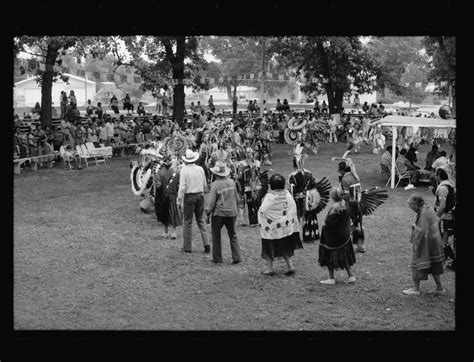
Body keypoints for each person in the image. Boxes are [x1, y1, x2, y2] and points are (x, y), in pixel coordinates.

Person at [257, 173, 303, 276]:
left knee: (268, 246)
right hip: (285, 228)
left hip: (272, 229)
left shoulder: (269, 198)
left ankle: (269, 268)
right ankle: (290, 266)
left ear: (271, 185)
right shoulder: (287, 195)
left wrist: (272, 220)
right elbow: (292, 208)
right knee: (286, 246)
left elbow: (263, 210)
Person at [403, 193, 446, 295]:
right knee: (435, 264)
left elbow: (422, 231)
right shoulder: (429, 208)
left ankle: (415, 289)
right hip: (434, 242)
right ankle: (440, 288)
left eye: (410, 205)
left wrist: (414, 227)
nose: (410, 207)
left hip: (426, 243)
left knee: (417, 261)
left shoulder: (423, 214)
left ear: (416, 204)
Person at [205, 161, 242, 264]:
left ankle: (217, 259)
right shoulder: (231, 182)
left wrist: (208, 213)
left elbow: (211, 202)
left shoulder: (215, 185)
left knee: (216, 235)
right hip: (231, 212)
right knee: (233, 235)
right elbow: (235, 197)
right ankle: (237, 257)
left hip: (219, 213)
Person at [318, 186, 357, 284]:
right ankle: (351, 276)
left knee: (328, 254)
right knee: (344, 255)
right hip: (345, 237)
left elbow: (328, 223)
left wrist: (324, 226)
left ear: (332, 197)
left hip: (334, 239)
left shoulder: (334, 209)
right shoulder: (346, 206)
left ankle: (331, 278)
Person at [177, 149, 211, 253]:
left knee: (187, 222)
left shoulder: (184, 170)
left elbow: (182, 187)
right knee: (200, 220)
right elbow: (205, 184)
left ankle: (187, 247)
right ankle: (207, 244)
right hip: (199, 195)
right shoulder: (200, 169)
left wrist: (179, 200)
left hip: (189, 196)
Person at [154, 155, 182, 239]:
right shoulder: (176, 172)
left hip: (163, 196)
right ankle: (173, 233)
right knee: (173, 214)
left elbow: (158, 186)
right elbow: (179, 185)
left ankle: (165, 232)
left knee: (164, 214)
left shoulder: (159, 172)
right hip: (173, 196)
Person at [434, 168, 456, 271]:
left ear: (438, 176)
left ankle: (451, 263)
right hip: (449, 217)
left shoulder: (443, 188)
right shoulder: (450, 184)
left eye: (435, 175)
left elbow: (442, 206)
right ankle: (447, 261)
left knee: (443, 240)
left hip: (446, 218)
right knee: (443, 239)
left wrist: (437, 217)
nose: (434, 177)